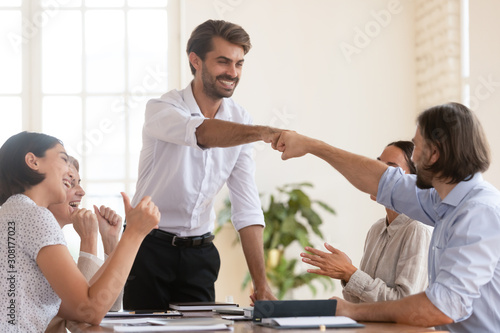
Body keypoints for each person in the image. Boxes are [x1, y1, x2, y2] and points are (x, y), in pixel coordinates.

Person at [275, 102, 500, 332]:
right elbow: (381, 181)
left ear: (435, 154)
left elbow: (441, 307)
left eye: (418, 147)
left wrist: (352, 310)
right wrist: (312, 146)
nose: (416, 156)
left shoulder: (479, 213)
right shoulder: (440, 201)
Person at [124, 19, 280, 310]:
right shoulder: (162, 109)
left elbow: (246, 207)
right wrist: (266, 133)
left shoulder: (241, 120)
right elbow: (202, 133)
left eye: (239, 63)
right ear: (195, 61)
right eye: (223, 62)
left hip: (200, 255)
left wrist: (262, 284)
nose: (232, 73)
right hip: (148, 248)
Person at [0, 131, 160, 332]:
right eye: (63, 159)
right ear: (33, 161)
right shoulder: (35, 216)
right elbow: (88, 311)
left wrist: (113, 241)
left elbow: (73, 310)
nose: (68, 169)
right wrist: (135, 233)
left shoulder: (11, 213)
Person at [302, 141, 432, 303]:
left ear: (413, 181)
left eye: (389, 169)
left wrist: (350, 273)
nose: (377, 174)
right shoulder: (377, 229)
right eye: (377, 166)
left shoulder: (417, 229)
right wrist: (346, 275)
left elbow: (405, 304)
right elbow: (358, 303)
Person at [45, 157, 123, 332]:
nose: (81, 191)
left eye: (78, 183)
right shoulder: (42, 245)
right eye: (69, 184)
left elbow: (109, 307)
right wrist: (89, 240)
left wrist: (110, 242)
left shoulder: (57, 242)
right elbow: (84, 313)